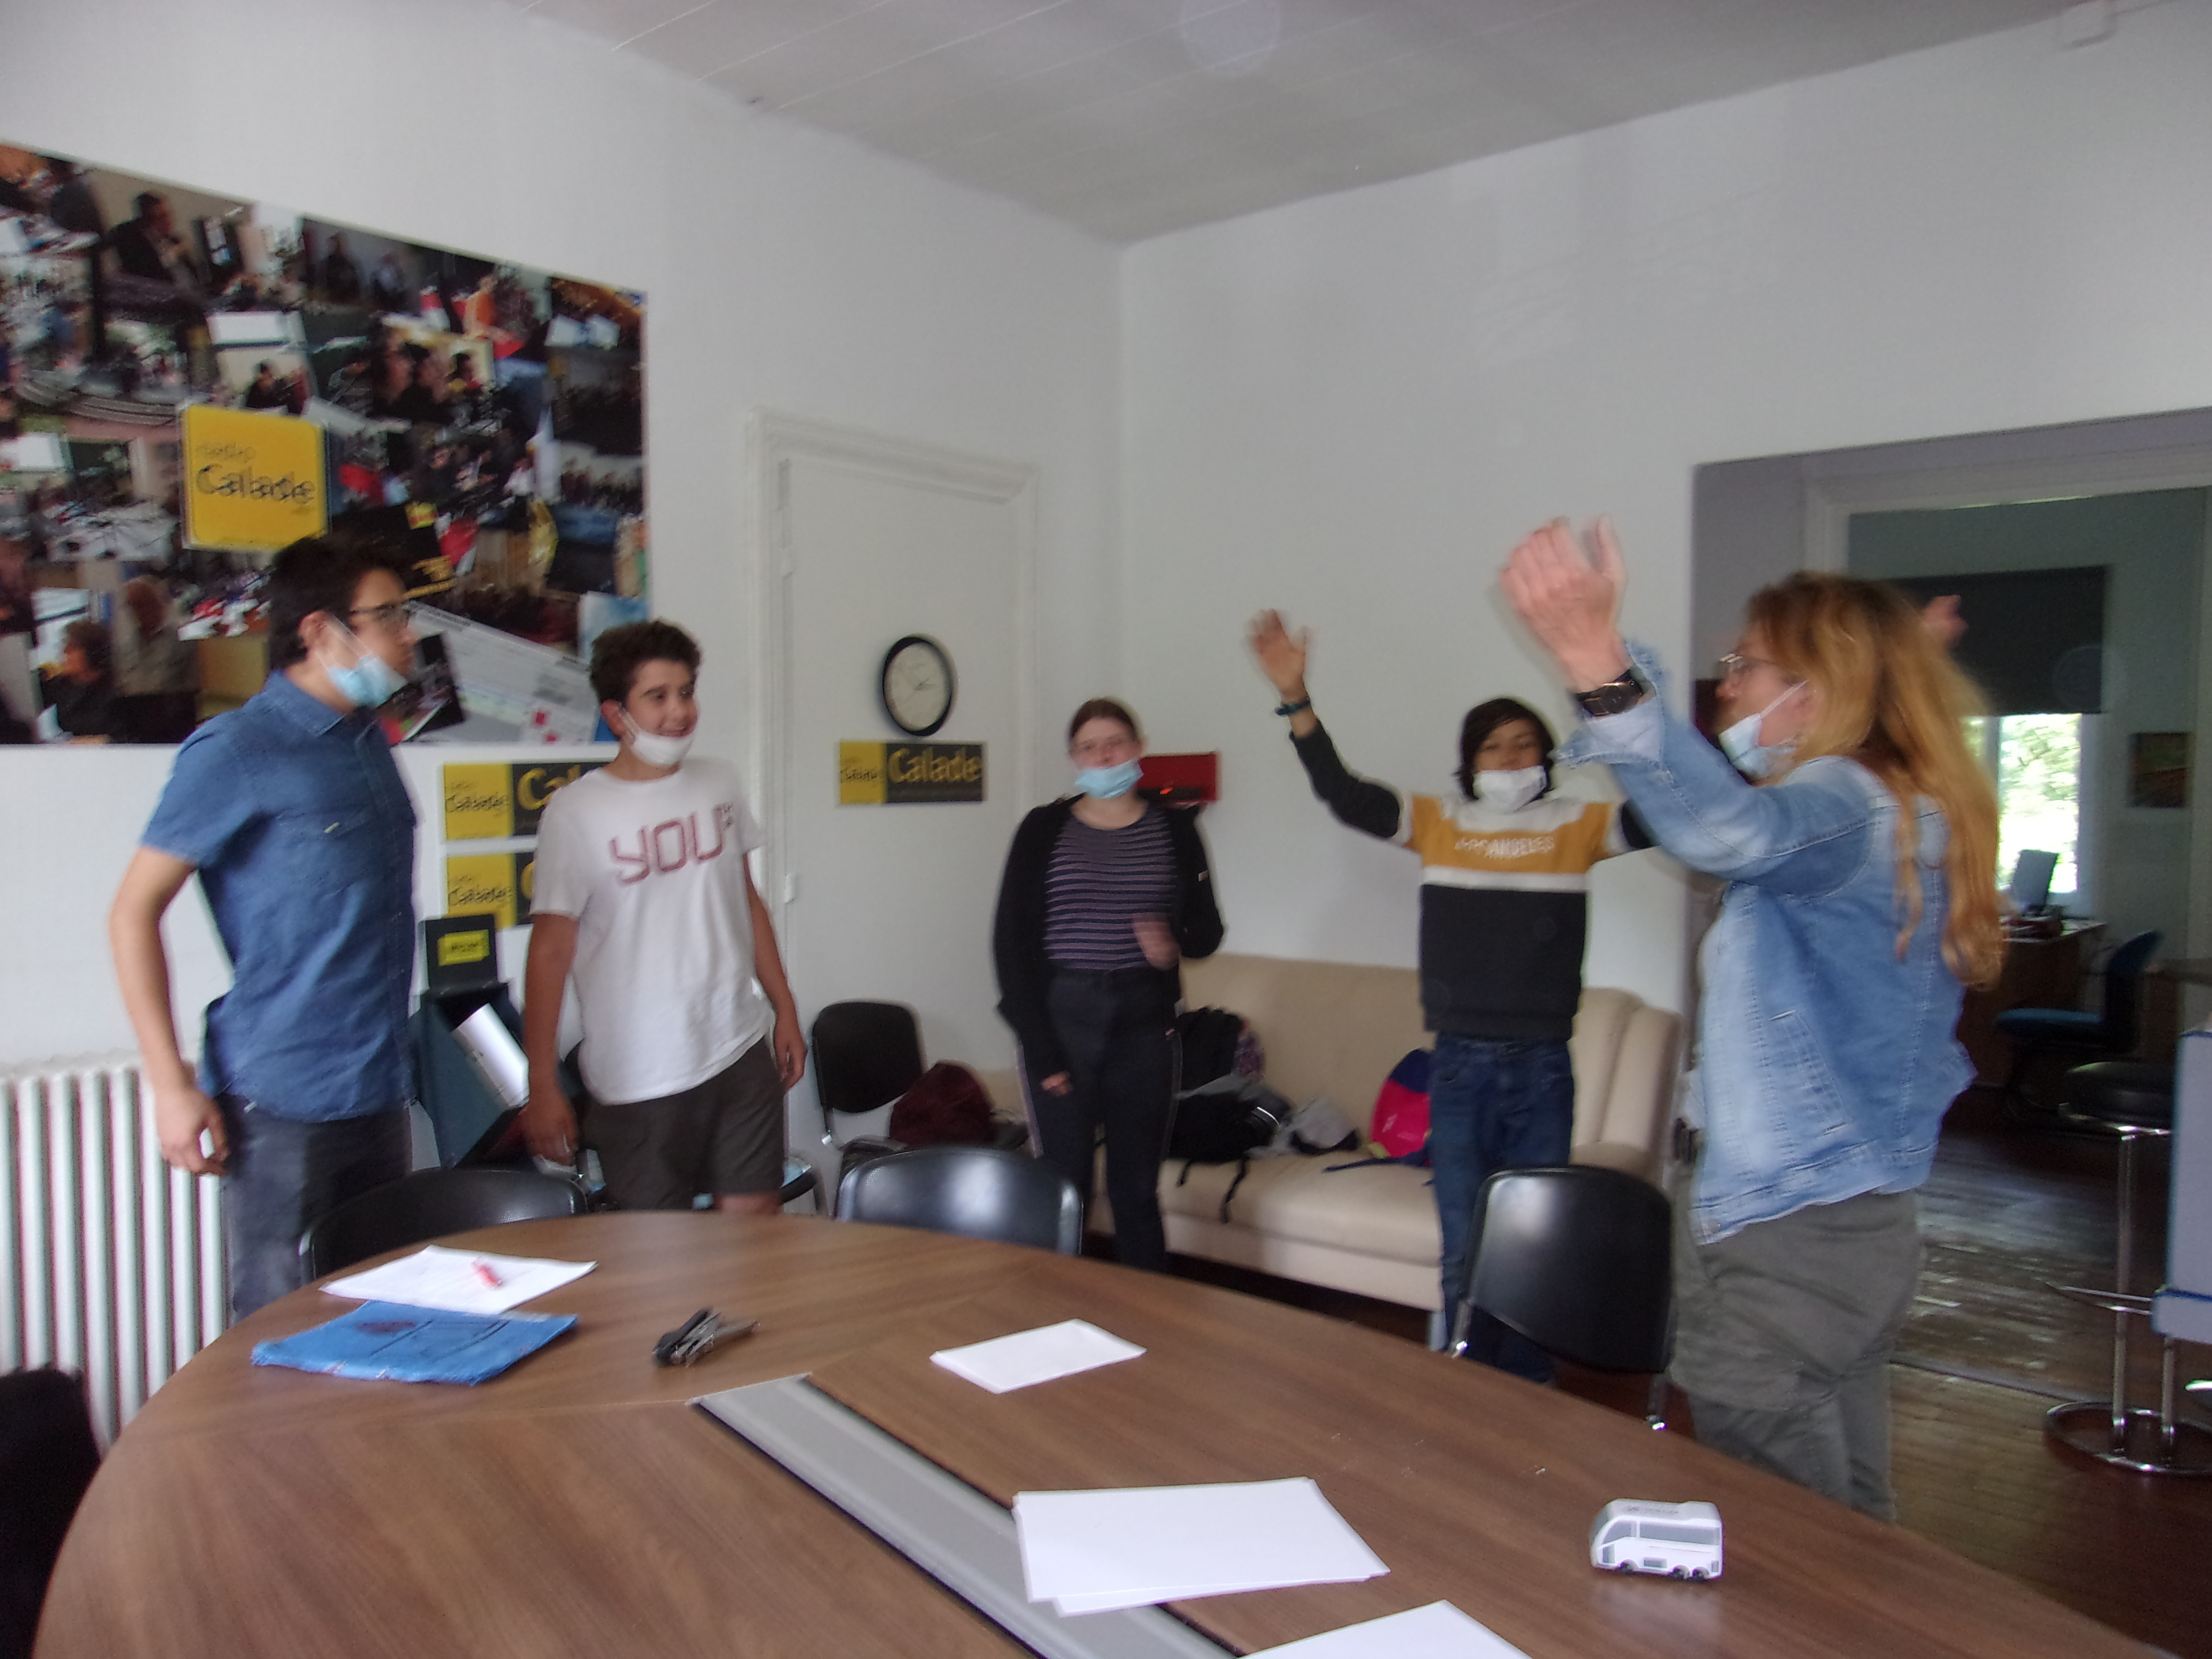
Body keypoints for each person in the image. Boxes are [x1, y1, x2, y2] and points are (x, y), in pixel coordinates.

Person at [1501, 517, 2001, 1518]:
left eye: (1746, 667)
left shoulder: (1850, 806)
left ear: (1816, 689)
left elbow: (1728, 830)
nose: (1726, 687)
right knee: (1849, 1522)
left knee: (1785, 1534)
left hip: (1791, 1236)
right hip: (1833, 1217)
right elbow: (1720, 822)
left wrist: (1600, 667)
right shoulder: (1895, 806)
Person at [1248, 611, 1652, 1371]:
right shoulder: (1440, 822)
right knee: (1465, 1238)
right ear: (1470, 763)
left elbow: (1666, 815)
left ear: (1546, 757)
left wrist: (1734, 751)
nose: (1511, 757)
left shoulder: (1579, 824)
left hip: (1543, 1067)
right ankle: (1465, 1386)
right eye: (1494, 746)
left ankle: (1527, 1393)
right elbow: (1345, 793)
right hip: (1461, 1065)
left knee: (1535, 1240)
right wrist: (1296, 698)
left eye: (1525, 743)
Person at [108, 536, 421, 1320]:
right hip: (284, 1097)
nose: (408, 633)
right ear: (319, 632)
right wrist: (171, 1085)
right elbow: (132, 913)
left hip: (381, 1084)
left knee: (383, 1316)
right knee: (280, 1332)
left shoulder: (368, 743)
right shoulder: (237, 750)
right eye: (388, 615)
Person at [519, 621, 805, 1213]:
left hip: (738, 1047)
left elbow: (746, 900)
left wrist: (785, 1008)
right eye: (657, 696)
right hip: (641, 1075)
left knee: (756, 1240)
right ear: (616, 714)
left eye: (686, 692)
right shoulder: (575, 811)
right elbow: (549, 951)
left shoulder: (719, 782)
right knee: (660, 1253)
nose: (679, 711)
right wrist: (541, 1083)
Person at [993, 699, 1223, 1272]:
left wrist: (1173, 942)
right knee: (1063, 1190)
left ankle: (1147, 1316)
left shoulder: (1175, 829)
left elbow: (1208, 931)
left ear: (1138, 747)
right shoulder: (1043, 830)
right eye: (1089, 747)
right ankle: (1057, 1312)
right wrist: (1042, 1050)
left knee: (1136, 1192)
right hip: (1063, 1022)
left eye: (1115, 743)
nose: (1103, 756)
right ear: (1074, 757)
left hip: (1144, 1027)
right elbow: (1010, 945)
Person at [39, 619, 118, 741]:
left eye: (73, 648)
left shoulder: (117, 686)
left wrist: (107, 741)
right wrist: (40, 675)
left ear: (92, 653)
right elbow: (31, 700)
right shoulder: (63, 683)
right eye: (65, 645)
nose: (65, 652)